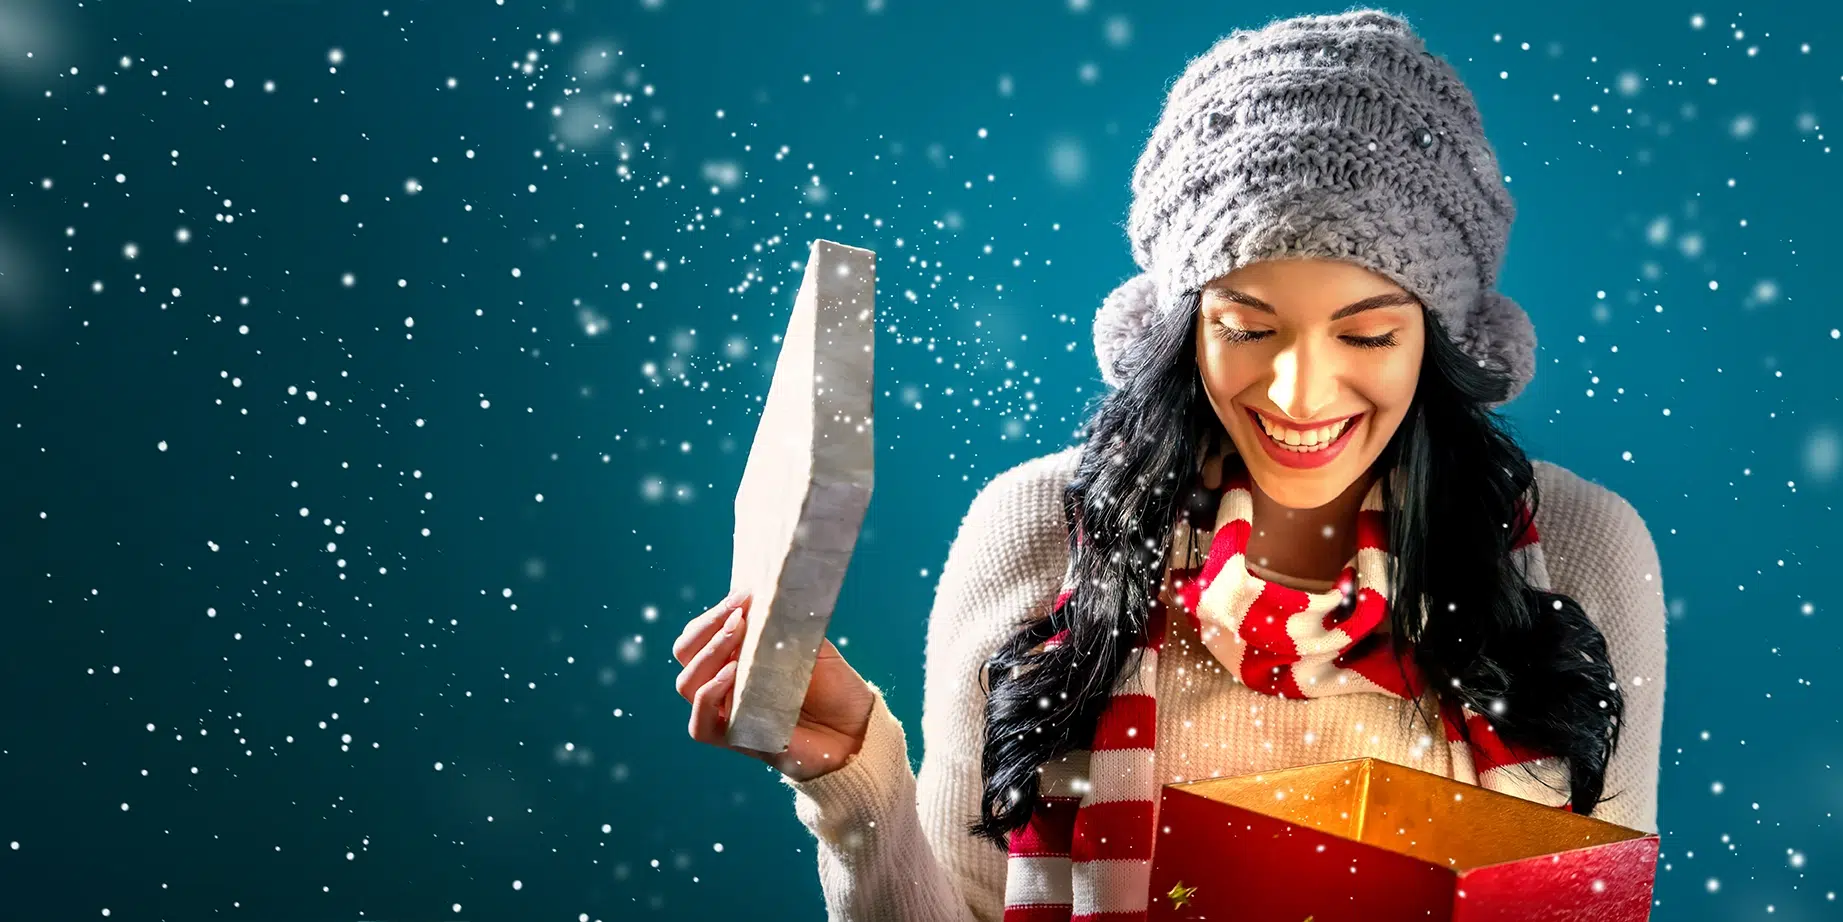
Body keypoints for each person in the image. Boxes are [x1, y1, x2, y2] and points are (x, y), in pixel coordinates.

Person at [673, 9, 1667, 921]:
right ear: (1179, 329)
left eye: (1365, 336)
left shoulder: (1576, 553)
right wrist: (854, 777)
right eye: (1246, 327)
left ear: (1441, 340)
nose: (1298, 393)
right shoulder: (1031, 532)